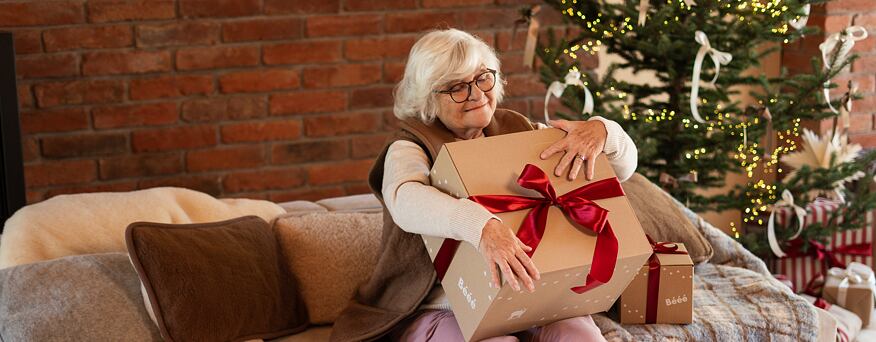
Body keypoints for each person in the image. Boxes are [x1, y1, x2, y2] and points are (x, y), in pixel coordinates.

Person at [331, 28, 637, 342]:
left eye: (482, 78)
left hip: (528, 296)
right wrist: (482, 227)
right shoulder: (411, 145)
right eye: (457, 87)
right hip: (438, 307)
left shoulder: (518, 129)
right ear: (427, 97)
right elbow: (405, 199)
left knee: (581, 336)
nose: (477, 95)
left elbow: (620, 171)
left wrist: (604, 132)